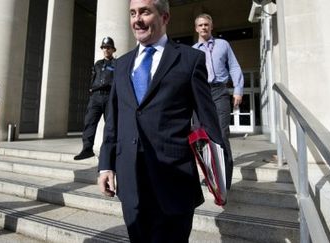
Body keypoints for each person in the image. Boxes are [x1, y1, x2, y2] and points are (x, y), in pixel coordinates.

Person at [97, 1, 228, 242]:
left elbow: (209, 123)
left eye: (145, 12)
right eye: (133, 13)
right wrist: (106, 164)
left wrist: (220, 177)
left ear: (165, 17)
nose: (137, 19)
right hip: (130, 182)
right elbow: (113, 121)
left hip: (174, 182)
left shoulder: (190, 60)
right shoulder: (122, 64)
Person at [193, 13, 244, 187]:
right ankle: (209, 176)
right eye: (200, 25)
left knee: (221, 135)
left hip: (220, 91)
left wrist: (238, 89)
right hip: (200, 95)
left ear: (211, 26)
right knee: (202, 137)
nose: (203, 28)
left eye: (206, 24)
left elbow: (234, 66)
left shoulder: (223, 45)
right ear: (196, 28)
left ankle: (225, 181)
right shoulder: (193, 50)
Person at [74, 37, 117, 160]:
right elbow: (93, 80)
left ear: (113, 49)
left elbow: (115, 82)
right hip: (96, 97)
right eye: (104, 47)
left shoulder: (116, 64)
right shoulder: (98, 64)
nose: (105, 50)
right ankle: (87, 149)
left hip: (109, 96)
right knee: (89, 121)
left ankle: (109, 152)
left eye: (108, 47)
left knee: (110, 125)